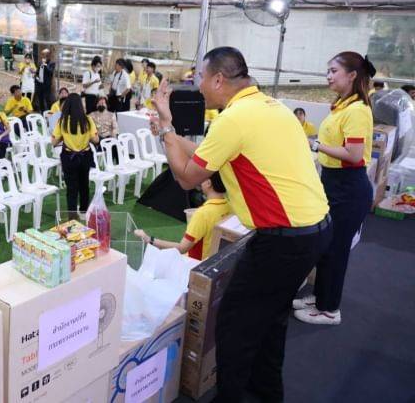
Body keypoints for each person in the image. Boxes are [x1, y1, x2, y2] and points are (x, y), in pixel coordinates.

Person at [152, 46, 330, 402]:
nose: (199, 86)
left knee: (234, 324)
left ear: (219, 79)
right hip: (314, 229)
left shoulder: (233, 120)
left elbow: (186, 177)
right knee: (271, 318)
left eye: (201, 78)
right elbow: (208, 154)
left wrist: (166, 128)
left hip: (283, 241)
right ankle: (265, 390)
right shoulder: (270, 106)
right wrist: (170, 133)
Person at [294, 52, 375, 326]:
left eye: (333, 71)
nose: (328, 76)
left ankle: (329, 310)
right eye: (327, 71)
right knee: (326, 245)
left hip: (348, 188)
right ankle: (320, 297)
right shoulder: (342, 105)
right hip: (333, 182)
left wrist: (316, 145)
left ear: (352, 75)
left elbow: (354, 155)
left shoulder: (357, 110)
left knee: (336, 250)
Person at [134, 173, 230, 260]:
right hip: (215, 261)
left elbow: (182, 248)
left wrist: (149, 239)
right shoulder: (230, 206)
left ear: (208, 183)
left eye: (202, 177)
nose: (200, 180)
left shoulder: (202, 214)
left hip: (194, 264)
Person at [51, 93, 98, 213]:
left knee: (71, 189)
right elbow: (96, 140)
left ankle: (72, 216)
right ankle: (83, 211)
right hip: (85, 156)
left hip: (69, 158)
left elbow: (54, 142)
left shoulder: (62, 121)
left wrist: (63, 137)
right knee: (84, 186)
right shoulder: (88, 120)